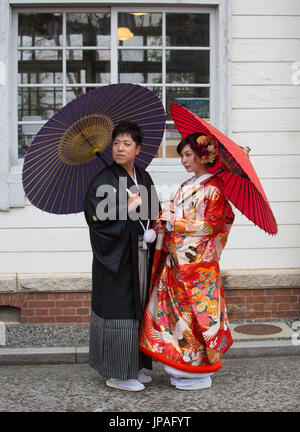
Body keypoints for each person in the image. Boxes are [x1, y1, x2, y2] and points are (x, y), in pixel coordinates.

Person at [139, 132, 235, 390]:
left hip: (197, 267)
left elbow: (213, 226)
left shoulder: (214, 189)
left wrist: (178, 222)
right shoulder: (186, 186)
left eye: (188, 154)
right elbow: (175, 217)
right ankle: (179, 365)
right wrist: (166, 215)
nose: (184, 160)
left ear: (203, 156)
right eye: (182, 155)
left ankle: (197, 370)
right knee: (172, 316)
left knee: (195, 317)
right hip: (175, 264)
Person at [84, 121, 160, 392]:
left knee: (138, 307)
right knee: (120, 310)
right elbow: (95, 218)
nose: (119, 148)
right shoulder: (103, 180)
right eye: (116, 143)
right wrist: (123, 207)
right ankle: (116, 373)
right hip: (116, 258)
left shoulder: (143, 176)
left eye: (126, 144)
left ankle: (134, 366)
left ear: (137, 149)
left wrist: (152, 230)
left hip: (140, 252)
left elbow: (153, 212)